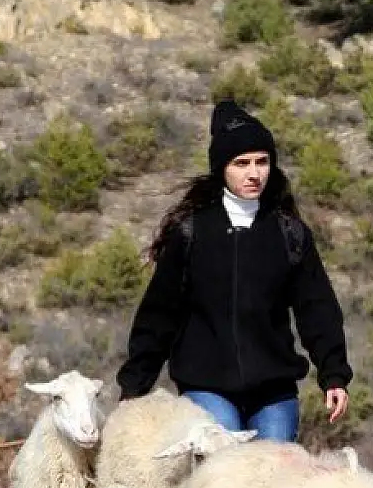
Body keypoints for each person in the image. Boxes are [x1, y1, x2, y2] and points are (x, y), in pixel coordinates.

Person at [114, 99, 352, 441]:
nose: (254, 173)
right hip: (207, 388)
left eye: (262, 162)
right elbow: (159, 315)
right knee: (224, 473)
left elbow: (318, 309)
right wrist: (134, 387)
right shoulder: (192, 232)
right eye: (241, 163)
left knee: (271, 484)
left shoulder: (290, 234)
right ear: (222, 168)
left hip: (275, 393)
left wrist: (334, 376)